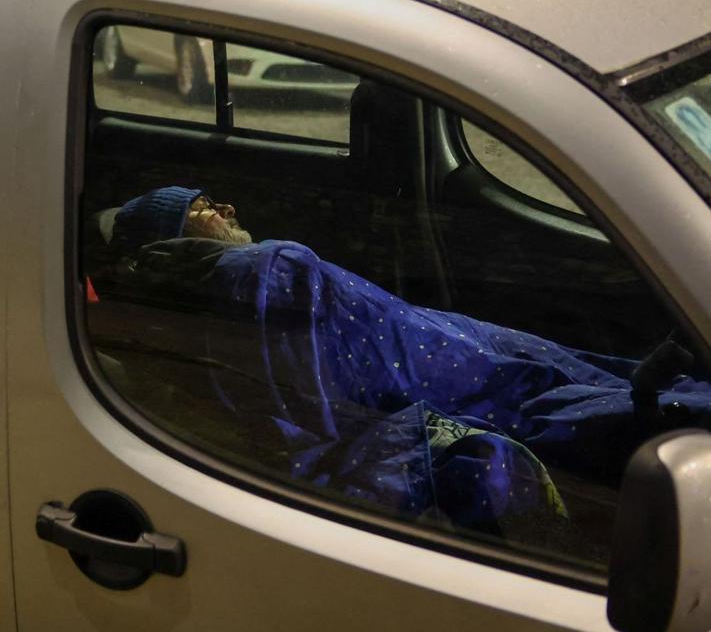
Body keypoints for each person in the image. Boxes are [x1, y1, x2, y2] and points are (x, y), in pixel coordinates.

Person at [105, 187, 710, 532]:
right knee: (592, 402)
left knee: (583, 372)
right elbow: (280, 276)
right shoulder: (257, 270)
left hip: (450, 342)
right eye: (204, 208)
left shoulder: (246, 270)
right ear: (172, 241)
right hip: (455, 373)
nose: (227, 210)